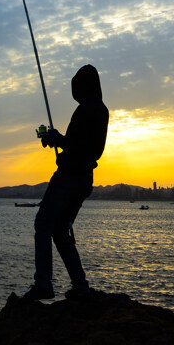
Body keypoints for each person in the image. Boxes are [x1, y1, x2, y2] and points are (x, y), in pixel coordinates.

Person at [22, 63, 109, 302]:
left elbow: (77, 146)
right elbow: (82, 146)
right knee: (60, 231)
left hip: (69, 177)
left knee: (43, 224)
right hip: (84, 179)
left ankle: (43, 284)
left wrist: (57, 139)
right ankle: (80, 286)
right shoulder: (101, 110)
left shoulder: (85, 110)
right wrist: (56, 141)